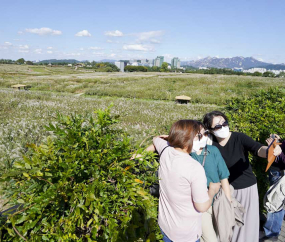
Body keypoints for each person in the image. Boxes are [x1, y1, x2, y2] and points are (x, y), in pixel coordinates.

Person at [202, 111, 281, 242]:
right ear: (210, 130)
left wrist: (270, 151)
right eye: (217, 126)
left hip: (245, 190)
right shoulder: (210, 143)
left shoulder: (239, 138)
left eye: (224, 123)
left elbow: (258, 149)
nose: (222, 127)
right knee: (225, 227)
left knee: (245, 228)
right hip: (223, 192)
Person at [152, 120, 221, 242]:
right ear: (187, 139)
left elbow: (156, 139)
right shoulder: (194, 168)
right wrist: (212, 191)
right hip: (186, 234)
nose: (205, 138)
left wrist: (173, 139)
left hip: (166, 226)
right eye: (200, 135)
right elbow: (201, 206)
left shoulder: (166, 152)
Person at [190, 122, 231, 242]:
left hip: (218, 202)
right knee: (211, 239)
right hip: (200, 204)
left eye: (206, 133)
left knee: (220, 234)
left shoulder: (213, 151)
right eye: (199, 135)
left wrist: (228, 202)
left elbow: (224, 177)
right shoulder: (186, 155)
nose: (204, 137)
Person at [260, 134, 284, 241]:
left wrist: (279, 152)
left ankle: (271, 233)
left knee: (275, 201)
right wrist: (278, 142)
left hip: (280, 172)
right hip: (277, 170)